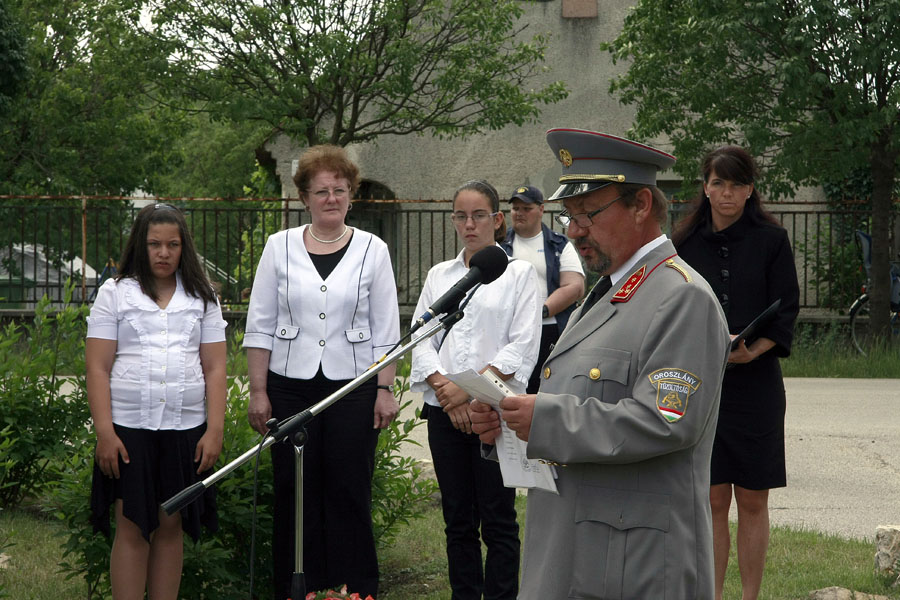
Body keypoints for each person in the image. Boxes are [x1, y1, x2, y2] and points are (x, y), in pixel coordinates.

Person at [470, 129, 731, 599]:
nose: (574, 231)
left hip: (636, 565)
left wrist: (543, 418)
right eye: (569, 216)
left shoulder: (681, 297)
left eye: (587, 214)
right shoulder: (607, 292)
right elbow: (580, 405)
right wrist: (509, 424)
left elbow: (665, 420)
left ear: (641, 206)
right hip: (580, 549)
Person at [243, 144, 400, 599]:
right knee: (295, 494)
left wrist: (385, 388)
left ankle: (356, 591)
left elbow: (387, 327)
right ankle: (298, 590)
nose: (332, 198)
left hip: (352, 387)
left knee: (349, 491)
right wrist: (258, 390)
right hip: (289, 388)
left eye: (341, 189)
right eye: (322, 190)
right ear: (305, 197)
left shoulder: (374, 249)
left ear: (351, 195)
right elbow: (260, 324)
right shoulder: (279, 247)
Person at [672, 146, 800, 600]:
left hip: (756, 386)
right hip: (702, 387)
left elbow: (785, 310)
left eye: (737, 184)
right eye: (718, 183)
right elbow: (674, 311)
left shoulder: (771, 240)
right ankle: (712, 595)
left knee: (751, 498)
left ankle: (749, 596)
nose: (727, 194)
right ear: (704, 187)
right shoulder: (681, 245)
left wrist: (754, 351)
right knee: (710, 500)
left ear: (750, 190)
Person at [87, 202, 227, 600]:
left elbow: (216, 368)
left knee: (170, 525)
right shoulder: (114, 294)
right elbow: (97, 367)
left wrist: (214, 430)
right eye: (154, 244)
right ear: (140, 246)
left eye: (172, 244)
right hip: (129, 432)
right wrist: (105, 432)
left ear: (184, 247)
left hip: (185, 431)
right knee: (131, 526)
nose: (163, 253)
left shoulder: (202, 299)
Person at [410, 179, 540, 600]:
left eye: (479, 215)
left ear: (497, 220)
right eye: (461, 216)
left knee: (498, 520)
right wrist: (445, 390)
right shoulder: (439, 276)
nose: (469, 225)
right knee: (457, 521)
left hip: (493, 413)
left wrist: (470, 391)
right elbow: (420, 339)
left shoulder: (519, 275)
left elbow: (521, 346)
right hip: (444, 412)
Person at [500, 185, 585, 393]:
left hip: (549, 329)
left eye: (526, 208)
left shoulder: (559, 244)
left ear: (541, 209)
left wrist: (540, 312)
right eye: (515, 208)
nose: (519, 213)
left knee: (545, 390)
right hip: (506, 330)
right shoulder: (499, 246)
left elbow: (575, 286)